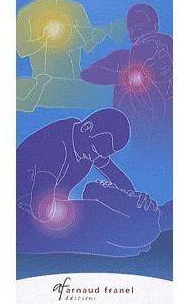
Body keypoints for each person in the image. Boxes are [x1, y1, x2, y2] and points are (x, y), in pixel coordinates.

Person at [16, 108, 172, 256]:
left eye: (103, 155)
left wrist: (134, 200)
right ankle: (151, 221)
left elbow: (116, 175)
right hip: (25, 217)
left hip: (49, 215)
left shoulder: (88, 144)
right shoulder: (55, 145)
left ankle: (151, 220)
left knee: (103, 213)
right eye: (96, 151)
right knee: (98, 215)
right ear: (86, 128)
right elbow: (41, 208)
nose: (95, 158)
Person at [16, 0, 125, 111]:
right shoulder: (26, 13)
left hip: (72, 85)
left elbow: (88, 46)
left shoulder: (75, 9)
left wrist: (103, 32)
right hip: (43, 87)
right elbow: (21, 50)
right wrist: (43, 39)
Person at [81, 4, 173, 133]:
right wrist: (126, 77)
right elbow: (88, 73)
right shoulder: (125, 59)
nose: (159, 55)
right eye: (137, 30)